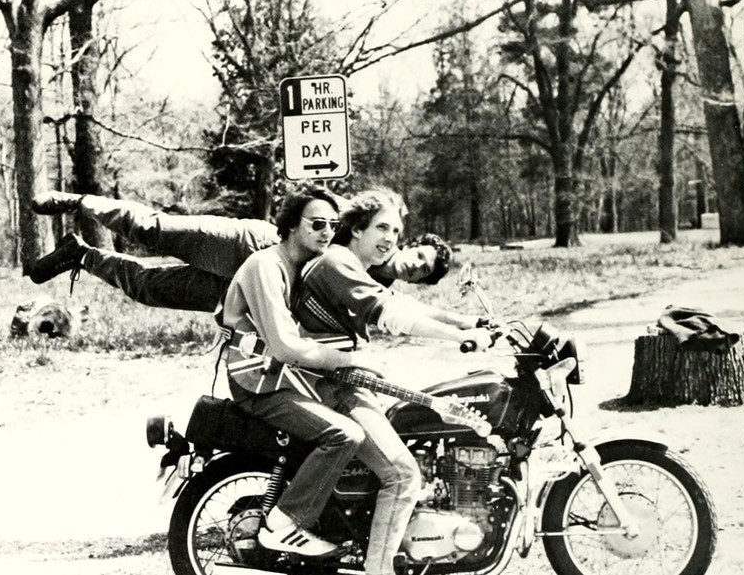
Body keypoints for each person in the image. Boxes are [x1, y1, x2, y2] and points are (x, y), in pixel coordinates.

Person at [220, 186, 492, 573]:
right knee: (402, 474)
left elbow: (400, 303)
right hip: (325, 383)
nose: (390, 239)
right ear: (358, 229)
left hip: (333, 379)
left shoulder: (349, 264)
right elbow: (389, 315)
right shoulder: (335, 262)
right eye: (382, 228)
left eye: (396, 232)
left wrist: (465, 321)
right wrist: (458, 337)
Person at [27, 191, 451, 310]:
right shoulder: (370, 225)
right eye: (418, 258)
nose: (411, 266)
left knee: (148, 288)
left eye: (420, 273)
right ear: (412, 244)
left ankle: (79, 255)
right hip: (250, 245)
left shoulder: (374, 292)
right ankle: (79, 202)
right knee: (154, 229)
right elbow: (317, 205)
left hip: (251, 291)